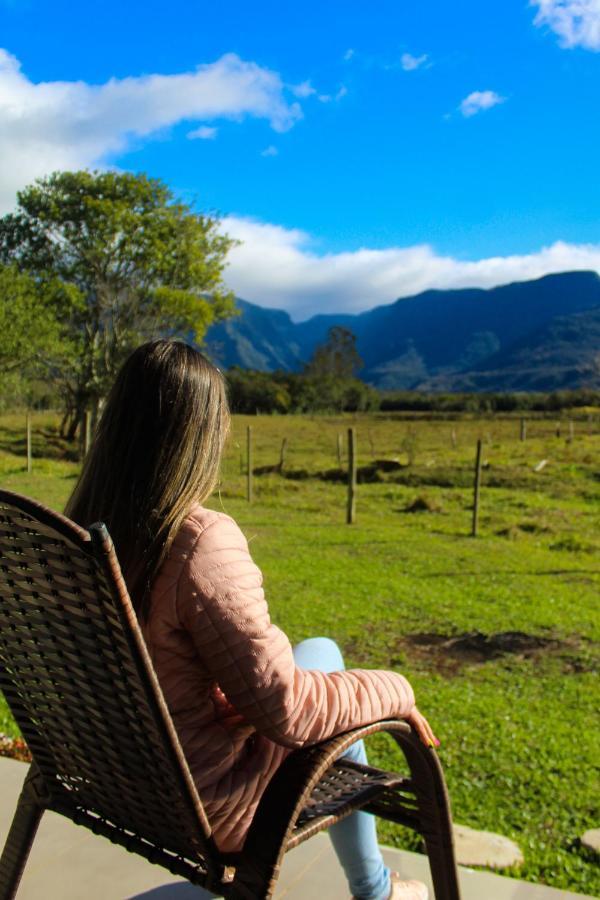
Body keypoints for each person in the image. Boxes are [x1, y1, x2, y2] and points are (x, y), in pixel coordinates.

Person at [66, 340, 438, 900]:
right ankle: (376, 890)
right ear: (202, 438)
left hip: (113, 779)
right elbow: (286, 709)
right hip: (207, 800)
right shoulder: (196, 541)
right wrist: (397, 690)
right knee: (331, 674)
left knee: (320, 650)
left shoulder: (73, 536)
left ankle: (376, 889)